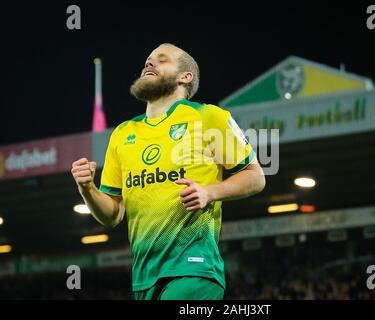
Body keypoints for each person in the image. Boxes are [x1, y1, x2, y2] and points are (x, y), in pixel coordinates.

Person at [71, 43, 265, 300]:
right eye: (148, 60)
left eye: (162, 60)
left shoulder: (208, 117)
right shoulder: (122, 134)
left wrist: (209, 192)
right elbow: (112, 214)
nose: (149, 64)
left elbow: (255, 176)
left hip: (194, 269)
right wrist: (88, 189)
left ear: (186, 77)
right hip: (144, 278)